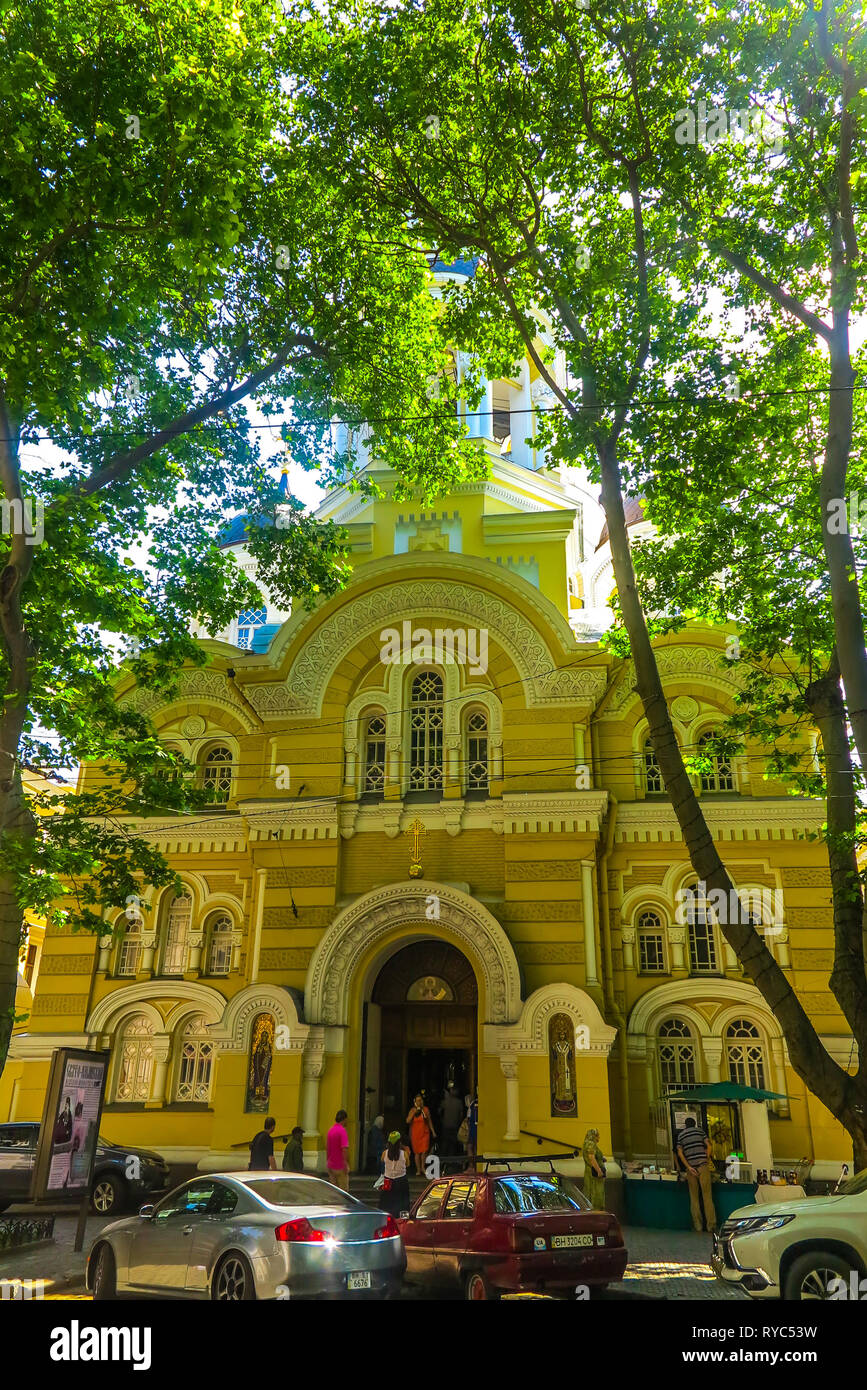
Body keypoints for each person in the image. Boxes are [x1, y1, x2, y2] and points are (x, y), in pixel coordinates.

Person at [676, 1116, 717, 1232]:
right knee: (707, 1196)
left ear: (685, 1125)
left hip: (690, 1169)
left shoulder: (681, 1135)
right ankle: (711, 1225)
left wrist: (688, 1166)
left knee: (694, 1198)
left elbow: (679, 1153)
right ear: (694, 1124)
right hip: (702, 1166)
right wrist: (706, 1157)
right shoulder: (700, 1132)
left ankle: (698, 1225)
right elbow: (709, 1146)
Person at [380, 1130, 411, 1217]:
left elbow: (382, 1161)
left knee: (387, 1203)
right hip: (401, 1181)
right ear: (399, 1143)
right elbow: (408, 1164)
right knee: (402, 1204)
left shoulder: (384, 1153)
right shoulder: (404, 1154)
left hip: (388, 1181)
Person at [406, 1093, 436, 1176]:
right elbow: (407, 1121)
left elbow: (429, 1121)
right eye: (418, 1101)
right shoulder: (412, 1110)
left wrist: (433, 1131)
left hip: (424, 1133)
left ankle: (423, 1167)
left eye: (421, 1100)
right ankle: (418, 1169)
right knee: (417, 1153)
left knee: (424, 1151)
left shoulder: (425, 1110)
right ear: (415, 1102)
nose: (420, 1102)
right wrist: (414, 1113)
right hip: (415, 1134)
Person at [582, 1127, 606, 1210]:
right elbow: (591, 1157)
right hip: (593, 1174)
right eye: (598, 1136)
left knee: (591, 1191)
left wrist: (601, 1159)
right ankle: (595, 1211)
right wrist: (599, 1170)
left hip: (590, 1172)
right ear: (593, 1136)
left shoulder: (588, 1144)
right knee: (595, 1193)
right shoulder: (590, 1144)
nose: (599, 1138)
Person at [326, 1109, 351, 1189]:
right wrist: (346, 1163)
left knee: (334, 1192)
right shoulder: (342, 1131)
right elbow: (344, 1149)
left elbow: (328, 1148)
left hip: (331, 1165)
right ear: (344, 1119)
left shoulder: (330, 1130)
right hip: (340, 1166)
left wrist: (328, 1162)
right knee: (343, 1192)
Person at [439, 1085, 464, 1165]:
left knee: (446, 1144)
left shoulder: (445, 1102)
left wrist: (442, 1120)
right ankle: (449, 1161)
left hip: (447, 1125)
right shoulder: (459, 1102)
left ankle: (444, 1161)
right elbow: (461, 1114)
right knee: (451, 1144)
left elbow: (439, 1112)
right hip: (453, 1125)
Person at [466, 1093, 478, 1169]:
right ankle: (476, 1166)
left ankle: (472, 1166)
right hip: (478, 1129)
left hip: (473, 1129)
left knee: (470, 1147)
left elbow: (468, 1118)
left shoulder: (472, 1104)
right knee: (476, 1147)